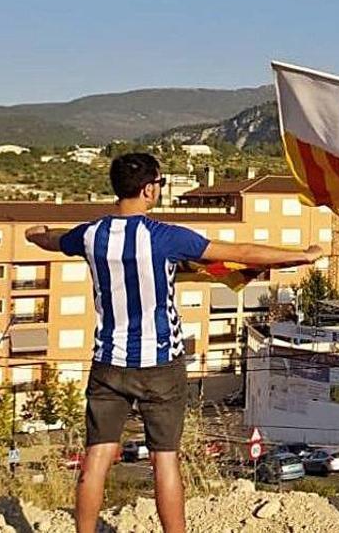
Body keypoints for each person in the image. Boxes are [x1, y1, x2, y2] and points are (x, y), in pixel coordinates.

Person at [26, 153, 322, 533]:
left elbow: (51, 239)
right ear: (150, 189)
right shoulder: (165, 237)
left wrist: (35, 234)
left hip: (108, 364)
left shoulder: (90, 235)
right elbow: (241, 253)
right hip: (161, 366)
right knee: (165, 461)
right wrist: (303, 255)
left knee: (96, 458)